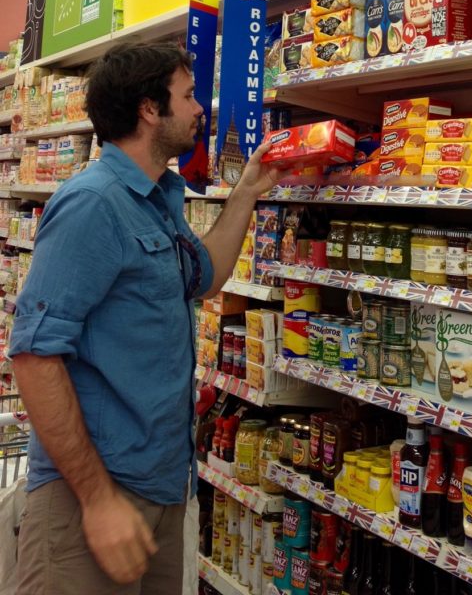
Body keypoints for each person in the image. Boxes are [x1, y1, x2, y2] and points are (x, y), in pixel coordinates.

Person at [9, 41, 282, 594]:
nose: (200, 108)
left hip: (158, 490)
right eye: (187, 96)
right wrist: (97, 499)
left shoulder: (154, 201)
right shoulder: (94, 204)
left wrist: (249, 189)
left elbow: (203, 277)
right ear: (149, 110)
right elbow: (34, 357)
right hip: (90, 500)